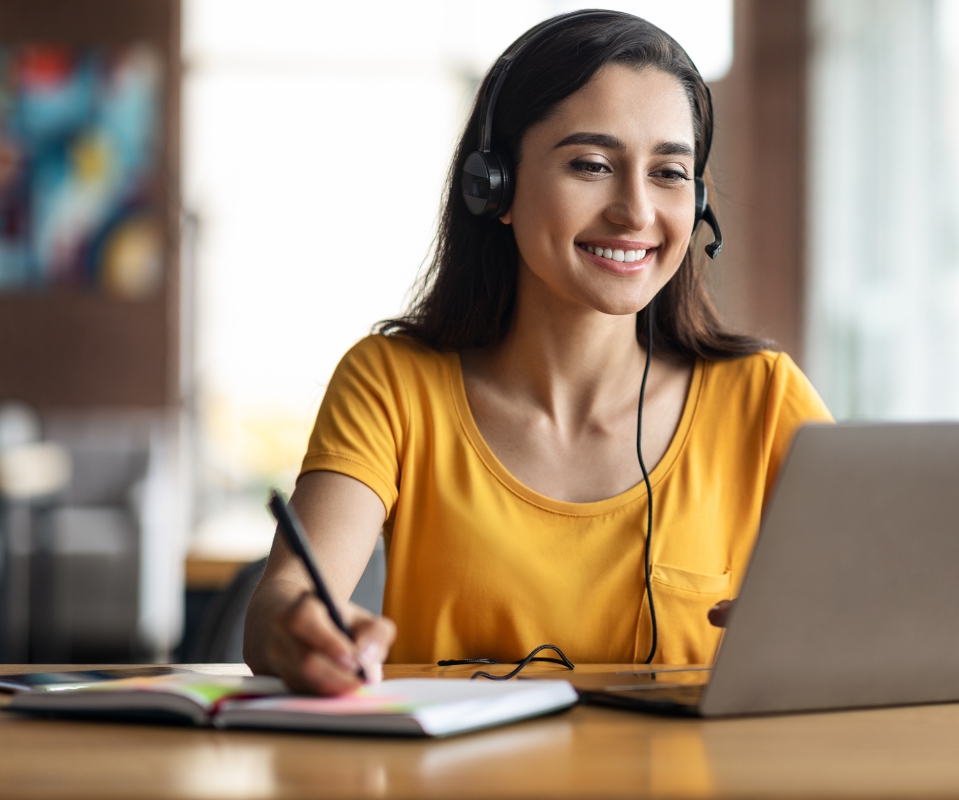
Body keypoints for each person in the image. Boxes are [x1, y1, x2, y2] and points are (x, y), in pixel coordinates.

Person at [243, 10, 832, 695]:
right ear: (492, 186)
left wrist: (843, 626)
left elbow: (880, 597)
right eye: (591, 164)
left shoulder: (762, 397)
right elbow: (281, 601)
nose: (636, 211)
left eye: (669, 171)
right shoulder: (393, 383)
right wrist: (301, 627)